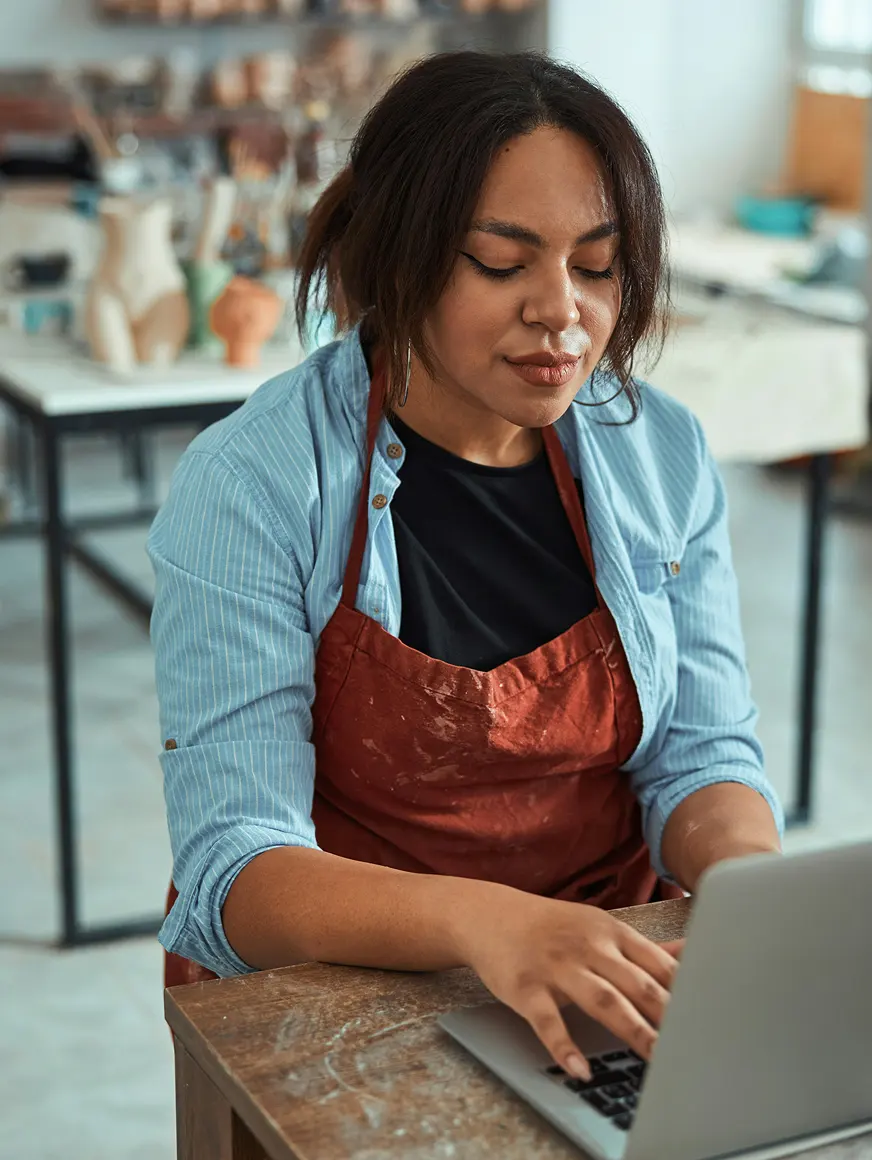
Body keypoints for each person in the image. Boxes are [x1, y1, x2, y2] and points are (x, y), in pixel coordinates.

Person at [149, 51, 783, 1079]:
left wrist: (753, 896)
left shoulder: (657, 452)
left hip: (594, 979)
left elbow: (699, 754)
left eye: (596, 263)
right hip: (336, 990)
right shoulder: (255, 486)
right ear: (399, 256)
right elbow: (236, 870)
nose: (561, 311)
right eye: (501, 261)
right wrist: (490, 924)